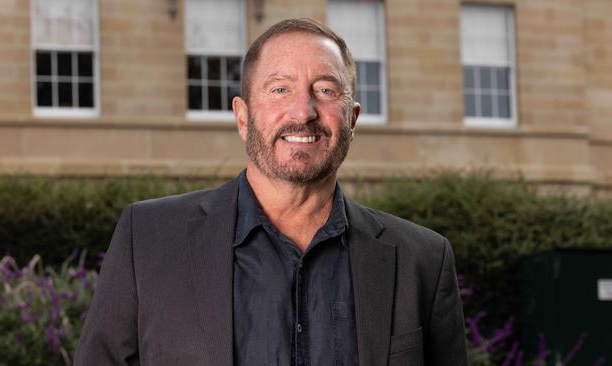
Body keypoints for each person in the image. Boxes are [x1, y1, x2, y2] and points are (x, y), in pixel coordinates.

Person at [74, 18, 467, 366]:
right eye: (280, 89)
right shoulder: (149, 240)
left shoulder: (424, 262)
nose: (303, 111)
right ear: (243, 117)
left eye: (327, 90)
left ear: (353, 118)